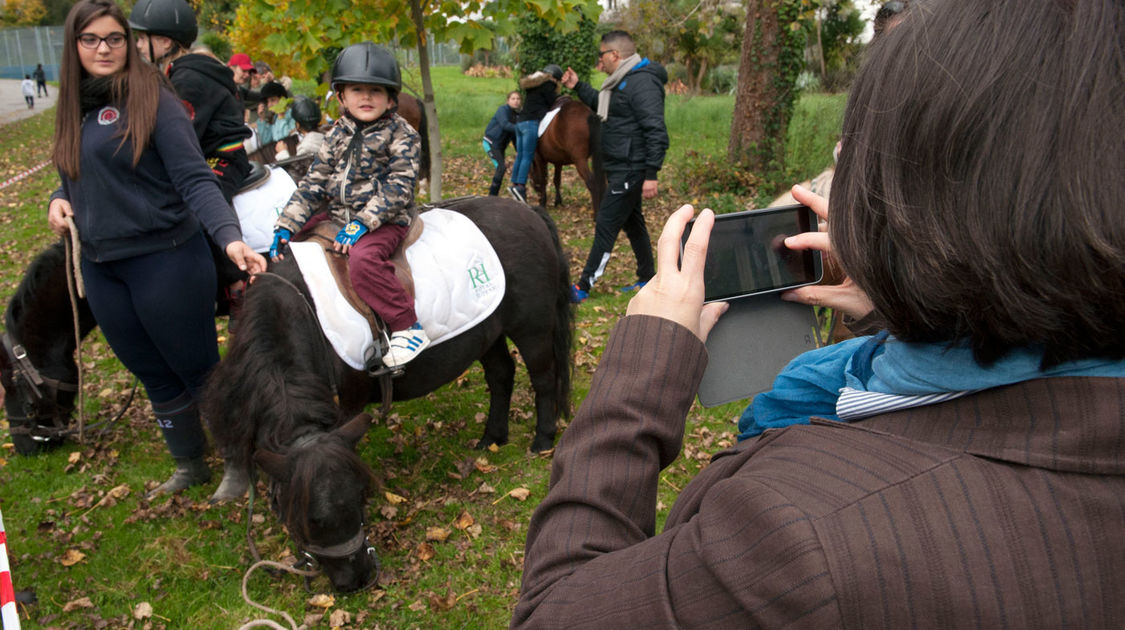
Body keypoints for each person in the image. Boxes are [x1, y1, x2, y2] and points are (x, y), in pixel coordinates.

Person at [513, 0, 1125, 627]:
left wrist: (642, 372)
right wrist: (908, 306)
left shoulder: (799, 540)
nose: (840, 152)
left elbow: (555, 611)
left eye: (865, 144)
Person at [46, 0, 267, 497]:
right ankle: (190, 462)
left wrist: (228, 238)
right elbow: (74, 169)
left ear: (129, 43)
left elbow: (194, 177)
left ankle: (239, 460)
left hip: (164, 258)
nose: (104, 48)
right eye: (91, 39)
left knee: (197, 369)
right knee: (150, 369)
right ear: (74, 46)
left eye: (114, 38)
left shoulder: (153, 98)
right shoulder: (72, 104)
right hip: (102, 267)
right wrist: (60, 198)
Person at [269, 42, 428, 368]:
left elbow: (399, 187)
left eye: (376, 90)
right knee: (297, 246)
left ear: (391, 98)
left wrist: (364, 221)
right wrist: (287, 224)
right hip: (339, 215)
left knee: (363, 260)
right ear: (341, 97)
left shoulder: (402, 135)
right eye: (357, 90)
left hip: (385, 219)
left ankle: (406, 326)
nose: (366, 97)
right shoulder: (336, 134)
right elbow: (314, 183)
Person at [561, 31, 668, 303]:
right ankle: (647, 277)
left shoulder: (642, 83)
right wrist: (578, 86)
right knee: (634, 225)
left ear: (615, 55)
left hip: (631, 169)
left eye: (601, 56)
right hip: (621, 166)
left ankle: (583, 286)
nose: (600, 62)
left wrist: (651, 174)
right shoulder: (622, 82)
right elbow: (607, 107)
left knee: (606, 223)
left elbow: (655, 129)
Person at [129, 0, 252, 203]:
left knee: (198, 208)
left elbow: (178, 140)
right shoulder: (178, 72)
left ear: (165, 42)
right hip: (206, 155)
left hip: (223, 160)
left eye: (142, 38)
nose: (138, 45)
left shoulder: (188, 81)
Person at [508, 64, 561, 203]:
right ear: (554, 78)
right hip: (531, 123)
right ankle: (520, 186)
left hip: (520, 123)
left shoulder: (533, 84)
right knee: (528, 156)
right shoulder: (548, 84)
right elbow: (552, 102)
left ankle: (514, 184)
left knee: (520, 155)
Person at [483, 90, 520, 196]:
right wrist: (521, 128)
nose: (516, 101)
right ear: (508, 100)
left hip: (501, 147)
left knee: (501, 169)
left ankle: (493, 195)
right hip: (490, 143)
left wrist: (519, 151)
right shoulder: (502, 110)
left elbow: (514, 136)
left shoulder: (517, 115)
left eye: (518, 99)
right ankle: (492, 197)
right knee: (501, 167)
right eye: (513, 99)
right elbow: (505, 125)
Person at [274, 95, 325, 160]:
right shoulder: (327, 135)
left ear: (298, 124)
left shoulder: (305, 147)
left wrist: (282, 152)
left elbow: (298, 168)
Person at [254, 80, 295, 148]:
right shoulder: (275, 117)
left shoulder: (293, 116)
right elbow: (266, 142)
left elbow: (283, 140)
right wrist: (262, 119)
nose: (269, 105)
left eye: (272, 100)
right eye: (267, 102)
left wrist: (281, 118)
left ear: (283, 99)